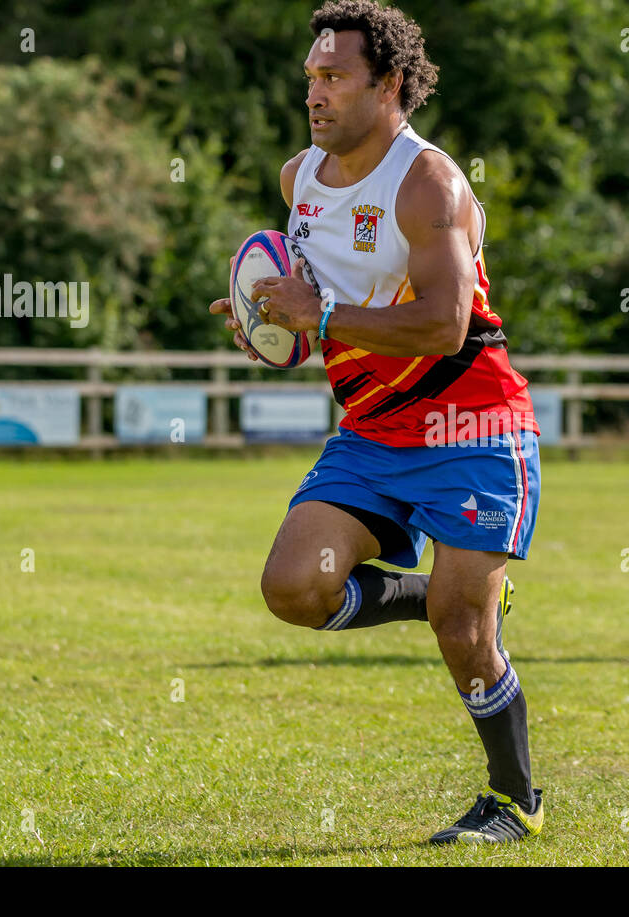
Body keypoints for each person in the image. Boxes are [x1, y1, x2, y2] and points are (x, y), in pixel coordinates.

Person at [210, 0, 543, 843]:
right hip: (371, 434)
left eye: (334, 78)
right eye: (310, 79)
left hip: (472, 428)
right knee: (294, 587)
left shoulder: (429, 183)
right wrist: (269, 327)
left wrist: (316, 319)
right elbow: (313, 294)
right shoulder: (300, 179)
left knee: (465, 634)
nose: (315, 95)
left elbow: (445, 324)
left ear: (388, 84)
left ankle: (513, 803)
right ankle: (438, 596)